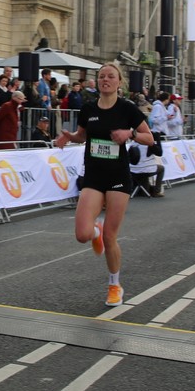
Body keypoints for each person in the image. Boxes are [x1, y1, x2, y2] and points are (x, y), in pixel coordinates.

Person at [53, 63, 153, 306]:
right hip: (94, 176)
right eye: (101, 77)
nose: (105, 80)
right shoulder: (88, 108)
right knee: (82, 235)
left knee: (110, 237)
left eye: (110, 76)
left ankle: (114, 285)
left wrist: (130, 134)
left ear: (119, 82)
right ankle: (94, 231)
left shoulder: (127, 108)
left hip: (118, 177)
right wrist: (69, 137)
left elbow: (150, 138)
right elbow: (83, 136)